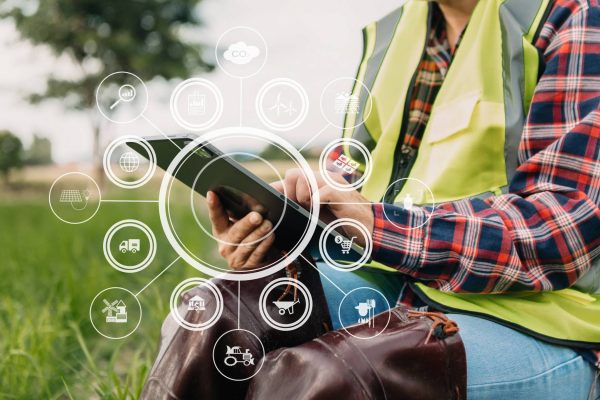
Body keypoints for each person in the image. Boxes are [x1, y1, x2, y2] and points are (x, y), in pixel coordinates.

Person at [148, 0, 600, 398]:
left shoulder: (571, 17)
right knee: (217, 317)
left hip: (545, 321)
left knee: (337, 378)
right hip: (400, 284)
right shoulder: (393, 36)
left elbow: (560, 228)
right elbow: (353, 176)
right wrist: (285, 229)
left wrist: (376, 224)